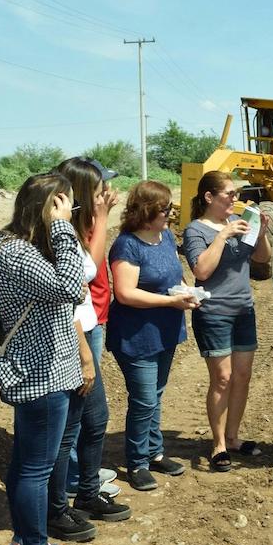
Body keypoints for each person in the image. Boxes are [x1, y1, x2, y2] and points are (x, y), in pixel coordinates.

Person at [0, 173, 85, 545]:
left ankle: (29, 540)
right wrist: (63, 230)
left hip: (42, 369)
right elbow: (72, 286)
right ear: (50, 206)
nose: (71, 216)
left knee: (27, 465)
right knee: (35, 470)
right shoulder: (16, 253)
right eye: (67, 208)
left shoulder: (10, 246)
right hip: (40, 375)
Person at [46, 158, 131, 543]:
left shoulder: (75, 227)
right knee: (69, 429)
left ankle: (86, 492)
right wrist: (82, 351)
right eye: (98, 189)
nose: (105, 194)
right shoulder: (56, 233)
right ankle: (56, 509)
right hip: (73, 337)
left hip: (88, 331)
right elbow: (86, 275)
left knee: (94, 420)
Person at [108, 181, 197, 491]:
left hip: (165, 330)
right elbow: (125, 293)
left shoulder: (166, 237)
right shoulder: (127, 245)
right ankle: (137, 462)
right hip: (136, 335)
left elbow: (174, 273)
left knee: (156, 395)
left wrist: (187, 290)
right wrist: (172, 301)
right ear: (146, 210)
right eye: (164, 208)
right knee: (144, 400)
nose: (170, 213)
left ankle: (154, 453)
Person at [183, 171, 272, 471]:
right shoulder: (196, 230)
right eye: (230, 194)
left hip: (243, 310)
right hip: (214, 312)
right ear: (209, 197)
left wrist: (260, 234)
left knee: (242, 376)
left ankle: (233, 437)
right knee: (222, 378)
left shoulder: (238, 225)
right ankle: (218, 443)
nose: (236, 199)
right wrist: (222, 236)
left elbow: (262, 261)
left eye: (236, 194)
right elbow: (202, 270)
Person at [65, 159, 121, 498]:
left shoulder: (83, 221)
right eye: (101, 187)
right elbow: (91, 266)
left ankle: (82, 471)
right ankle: (73, 478)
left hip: (94, 317)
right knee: (80, 409)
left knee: (87, 411)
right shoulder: (70, 229)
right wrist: (102, 219)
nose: (107, 193)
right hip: (81, 325)